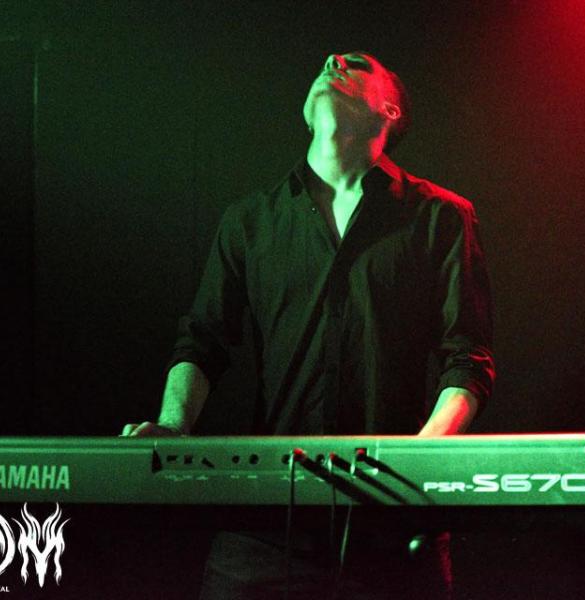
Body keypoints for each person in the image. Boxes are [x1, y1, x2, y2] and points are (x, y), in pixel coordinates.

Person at [123, 51, 495, 600]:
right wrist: (172, 429)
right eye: (329, 61)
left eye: (357, 64)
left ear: (390, 110)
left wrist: (418, 460)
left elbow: (467, 358)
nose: (333, 59)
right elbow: (202, 341)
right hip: (264, 530)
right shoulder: (250, 220)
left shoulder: (441, 216)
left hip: (392, 527)